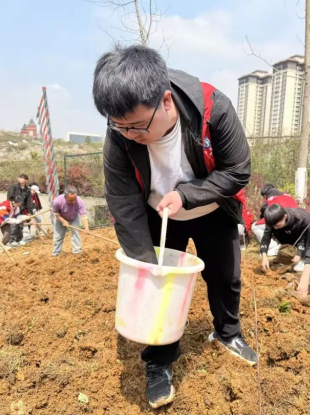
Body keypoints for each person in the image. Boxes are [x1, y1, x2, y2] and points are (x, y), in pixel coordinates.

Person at [93, 44, 256, 408]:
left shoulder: (212, 109)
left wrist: (187, 194)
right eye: (120, 126)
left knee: (225, 277)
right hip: (158, 214)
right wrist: (145, 262)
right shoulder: (119, 133)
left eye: (138, 126)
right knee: (159, 285)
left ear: (166, 101)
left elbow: (237, 170)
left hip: (211, 207)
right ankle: (159, 360)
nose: (130, 135)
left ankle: (228, 333)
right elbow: (122, 199)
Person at [260, 204, 310, 273]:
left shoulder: (301, 218)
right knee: (278, 230)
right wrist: (264, 257)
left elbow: (302, 238)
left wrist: (299, 254)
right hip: (286, 233)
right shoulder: (272, 220)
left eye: (276, 225)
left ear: (285, 217)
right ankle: (286, 256)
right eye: (272, 226)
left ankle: (303, 260)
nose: (274, 228)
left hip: (300, 233)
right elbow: (266, 238)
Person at [251, 183, 298, 257]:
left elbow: (265, 216)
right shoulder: (288, 196)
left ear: (265, 196)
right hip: (295, 222)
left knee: (255, 226)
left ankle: (274, 247)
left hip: (281, 220)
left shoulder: (269, 200)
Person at [51, 186, 89, 257]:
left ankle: (77, 252)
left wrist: (86, 227)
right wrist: (63, 221)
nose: (73, 202)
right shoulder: (58, 201)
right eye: (71, 200)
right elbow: (55, 213)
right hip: (60, 218)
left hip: (74, 218)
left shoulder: (79, 201)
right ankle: (56, 253)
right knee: (58, 237)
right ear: (65, 197)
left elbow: (84, 215)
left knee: (75, 233)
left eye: (74, 199)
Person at [7, 174, 31, 245]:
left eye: (22, 178)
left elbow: (28, 201)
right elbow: (9, 198)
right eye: (19, 178)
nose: (20, 179)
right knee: (13, 225)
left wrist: (29, 212)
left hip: (22, 209)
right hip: (13, 208)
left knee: (21, 224)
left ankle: (19, 239)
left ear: (26, 180)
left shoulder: (27, 190)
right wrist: (11, 207)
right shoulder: (13, 187)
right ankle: (11, 240)